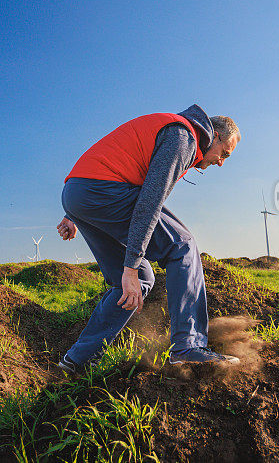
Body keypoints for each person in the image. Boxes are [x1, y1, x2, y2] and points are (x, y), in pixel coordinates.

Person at [56, 104, 241, 374]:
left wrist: (72, 212)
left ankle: (77, 361)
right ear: (213, 136)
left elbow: (111, 160)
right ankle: (188, 347)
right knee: (182, 246)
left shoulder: (173, 131)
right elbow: (149, 203)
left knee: (141, 278)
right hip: (105, 192)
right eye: (224, 153)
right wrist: (130, 265)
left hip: (78, 193)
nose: (221, 162)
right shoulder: (183, 137)